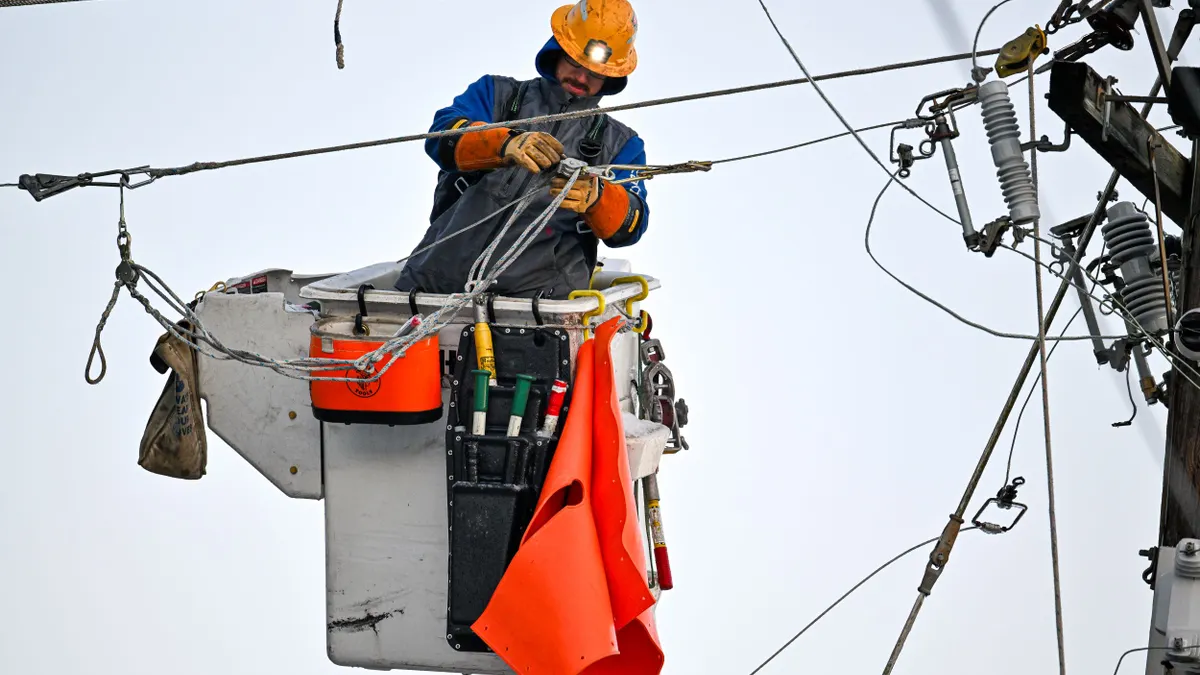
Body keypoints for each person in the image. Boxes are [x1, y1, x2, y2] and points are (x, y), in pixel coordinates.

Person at [393, 0, 651, 300]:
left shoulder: (621, 144)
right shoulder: (496, 95)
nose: (582, 78)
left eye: (595, 72)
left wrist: (598, 198)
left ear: (611, 77)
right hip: (432, 282)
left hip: (538, 308)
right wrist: (504, 143)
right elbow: (440, 135)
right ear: (557, 49)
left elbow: (633, 223)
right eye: (576, 64)